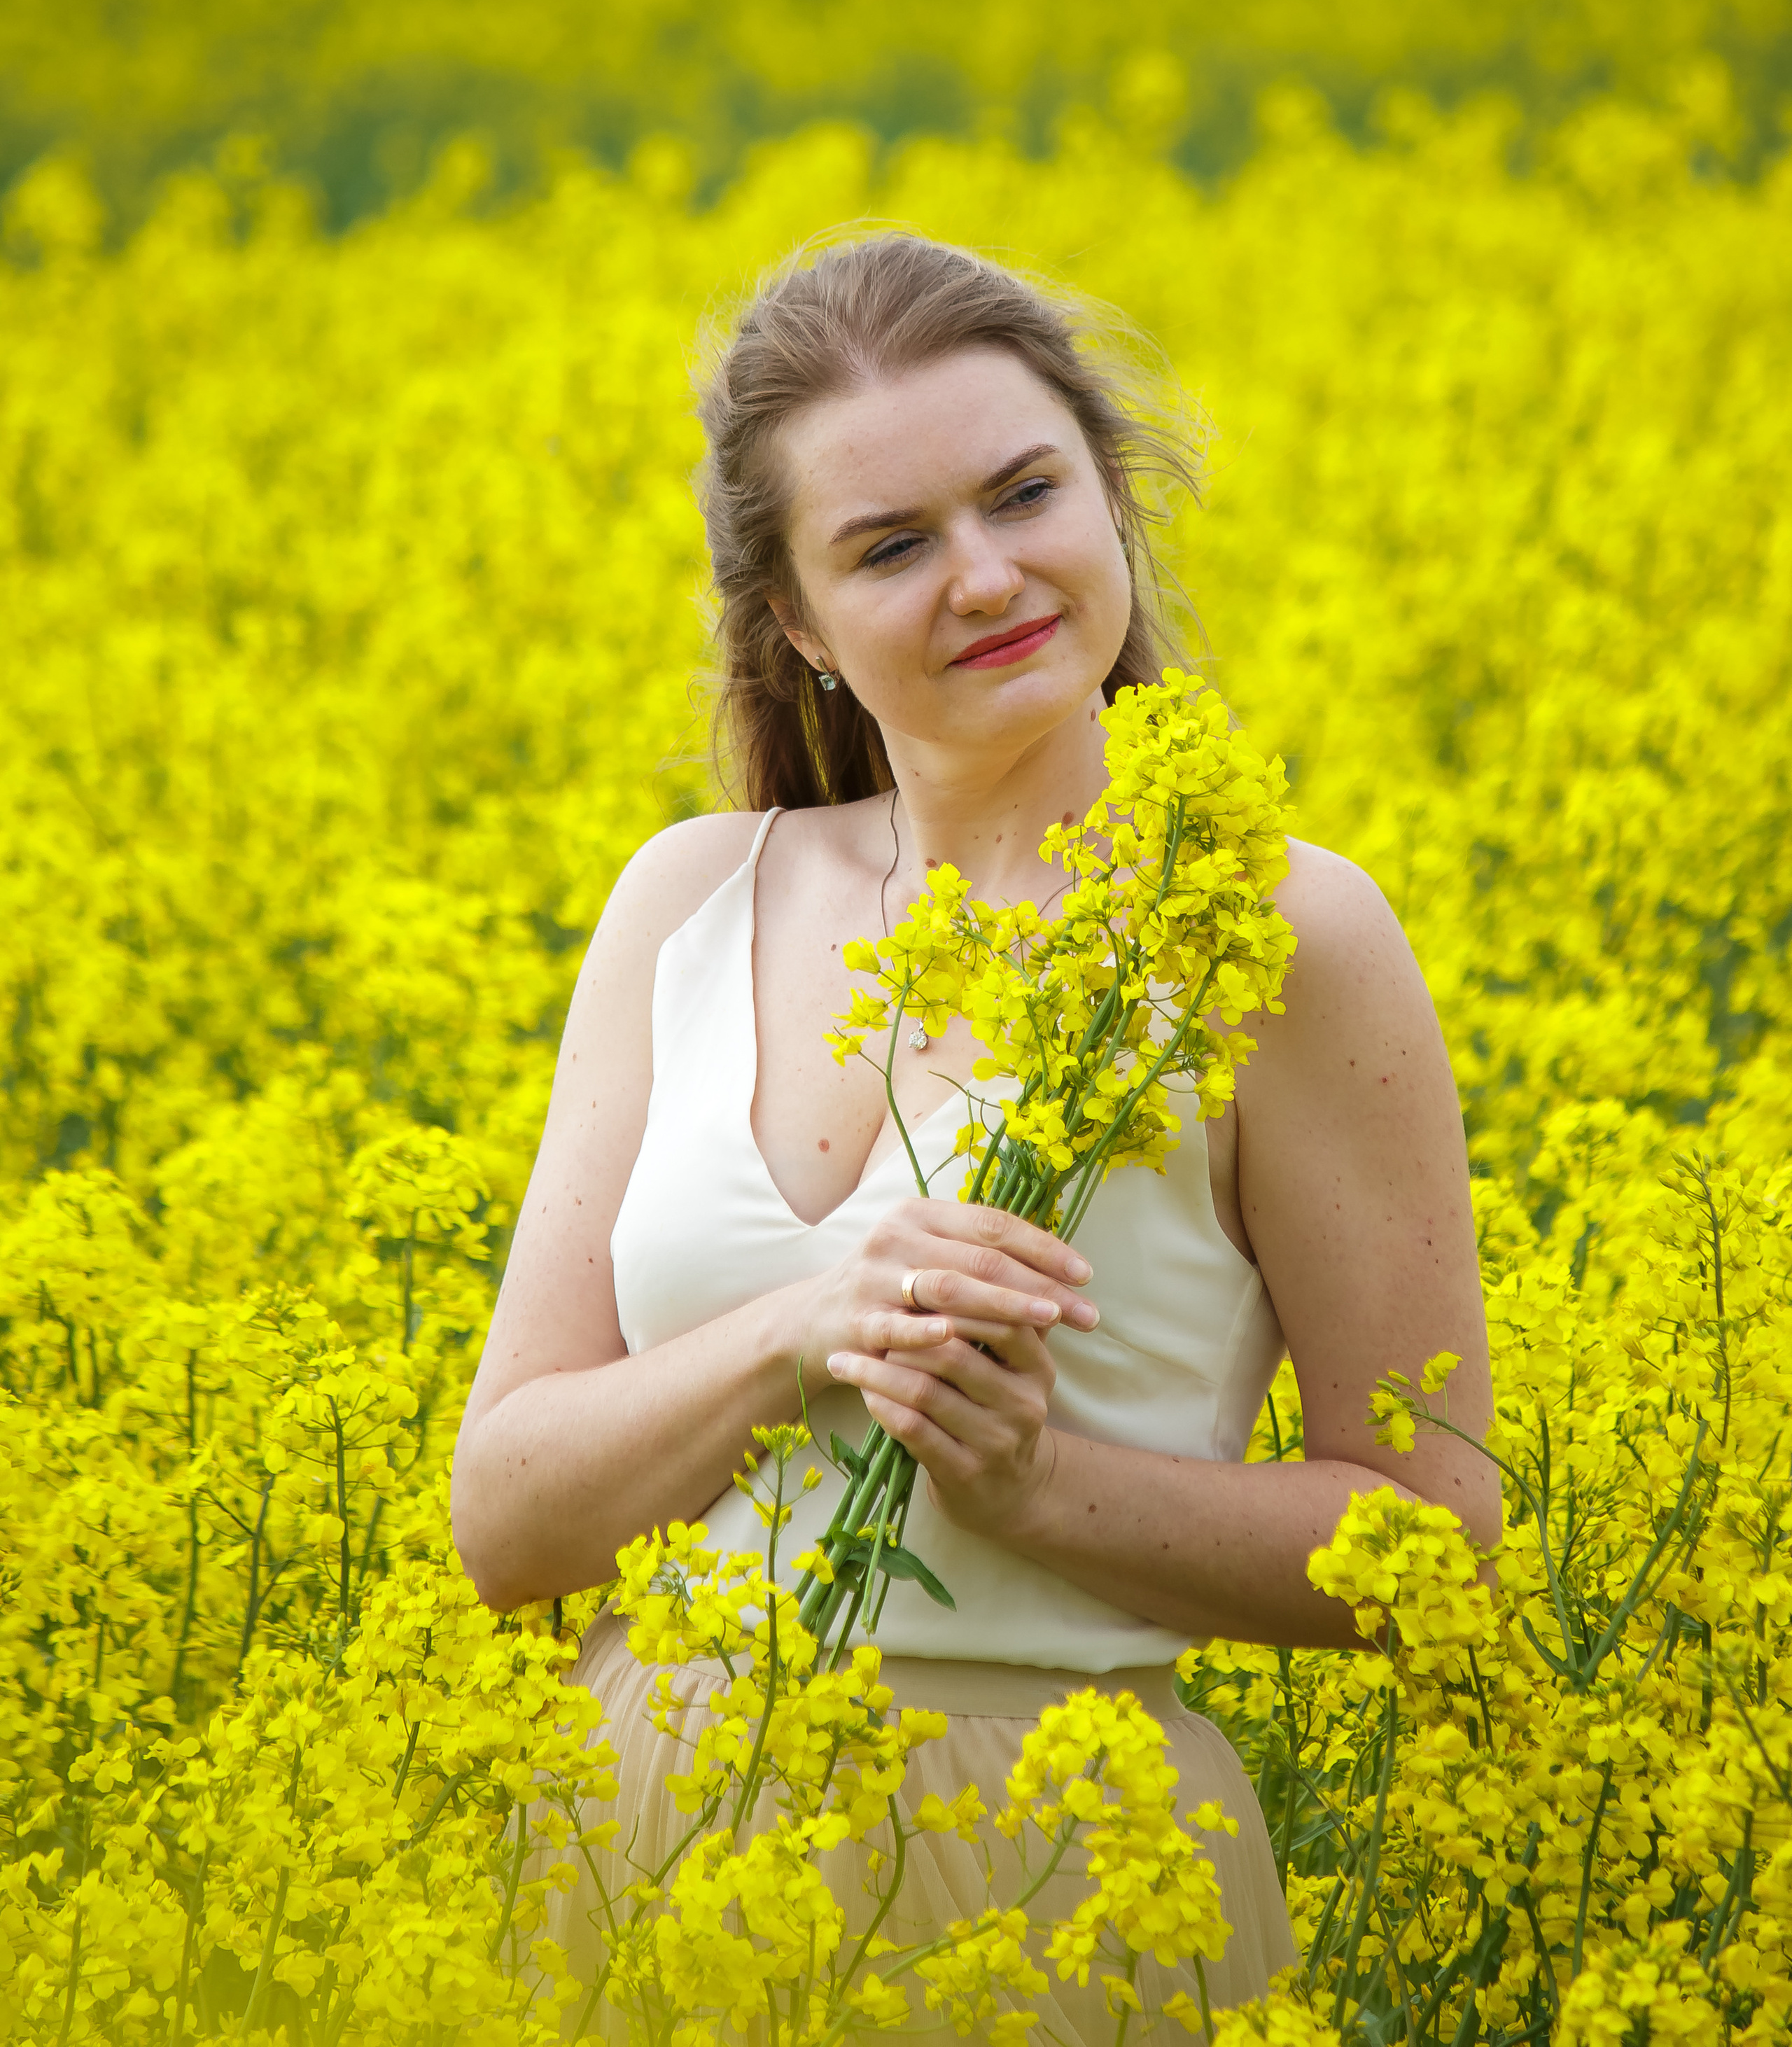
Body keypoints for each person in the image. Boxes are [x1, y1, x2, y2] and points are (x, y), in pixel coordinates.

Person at [450, 231, 1498, 2034]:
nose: (987, 575)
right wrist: (798, 1324)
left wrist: (1033, 1488)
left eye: (1027, 495)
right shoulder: (689, 903)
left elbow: (1433, 1545)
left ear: (1111, 498)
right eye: (889, 545)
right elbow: (507, 1519)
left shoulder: (1270, 932)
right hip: (633, 1828)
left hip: (1046, 1868)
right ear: (795, 624)